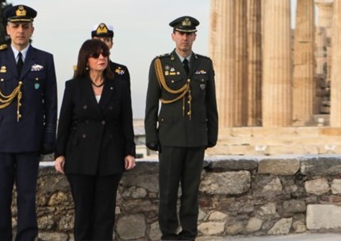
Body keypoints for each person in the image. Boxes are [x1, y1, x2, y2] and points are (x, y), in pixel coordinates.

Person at [0, 4, 58, 241]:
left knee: (27, 199)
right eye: (15, 26)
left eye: (25, 26)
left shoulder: (45, 60)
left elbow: (50, 104)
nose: (20, 30)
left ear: (32, 30)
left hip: (30, 140)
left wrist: (48, 137)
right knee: (0, 200)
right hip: (0, 139)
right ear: (7, 29)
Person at [54, 38, 136, 240]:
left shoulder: (119, 86)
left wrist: (129, 151)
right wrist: (60, 154)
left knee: (105, 215)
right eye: (96, 55)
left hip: (110, 155)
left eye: (105, 54)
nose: (102, 58)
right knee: (83, 214)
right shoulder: (74, 86)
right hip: (80, 157)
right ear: (86, 59)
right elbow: (64, 122)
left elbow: (126, 122)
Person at [145, 16, 218, 241]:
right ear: (173, 36)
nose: (185, 38)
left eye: (189, 34)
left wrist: (211, 135)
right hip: (170, 136)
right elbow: (151, 103)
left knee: (190, 191)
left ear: (195, 37)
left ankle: (188, 234)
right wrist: (151, 136)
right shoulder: (160, 64)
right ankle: (168, 234)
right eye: (181, 34)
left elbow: (210, 104)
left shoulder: (204, 64)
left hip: (196, 137)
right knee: (167, 191)